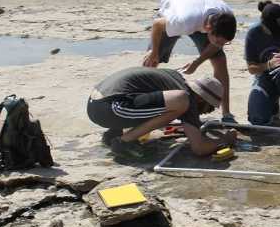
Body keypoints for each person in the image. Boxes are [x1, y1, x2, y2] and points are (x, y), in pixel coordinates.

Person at [87, 67, 237, 158]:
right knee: (180, 101)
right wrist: (225, 140)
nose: (203, 114)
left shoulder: (175, 77)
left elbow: (148, 103)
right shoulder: (187, 98)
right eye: (208, 109)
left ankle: (114, 134)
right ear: (201, 100)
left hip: (96, 103)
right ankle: (124, 142)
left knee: (162, 103)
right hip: (109, 108)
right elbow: (199, 148)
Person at [142, 0, 238, 123]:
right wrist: (154, 52)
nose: (220, 45)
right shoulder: (183, 21)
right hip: (177, 8)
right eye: (218, 41)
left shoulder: (227, 18)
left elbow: (215, 45)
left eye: (224, 43)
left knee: (220, 60)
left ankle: (227, 114)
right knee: (150, 61)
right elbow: (157, 25)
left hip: (199, 10)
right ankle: (145, 109)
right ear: (209, 29)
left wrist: (197, 62)